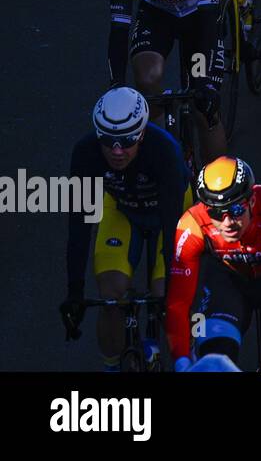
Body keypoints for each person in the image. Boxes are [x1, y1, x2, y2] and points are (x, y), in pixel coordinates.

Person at [61, 88, 189, 371]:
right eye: (109, 142)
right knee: (109, 295)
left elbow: (171, 228)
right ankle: (112, 368)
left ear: (142, 134)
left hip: (169, 212)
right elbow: (79, 226)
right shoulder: (84, 154)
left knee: (167, 294)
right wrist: (75, 292)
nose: (117, 151)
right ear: (98, 136)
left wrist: (172, 285)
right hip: (122, 208)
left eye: (127, 141)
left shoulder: (165, 150)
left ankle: (186, 361)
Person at [166, 157, 261, 371]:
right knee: (214, 362)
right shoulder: (192, 224)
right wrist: (182, 362)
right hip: (229, 284)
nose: (227, 222)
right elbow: (178, 303)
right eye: (216, 213)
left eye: (235, 210)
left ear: (252, 201)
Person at [109, 0, 226, 162]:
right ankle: (162, 152)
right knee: (147, 79)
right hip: (157, 16)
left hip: (198, 19)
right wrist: (116, 84)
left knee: (203, 109)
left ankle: (215, 186)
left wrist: (206, 83)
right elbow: (119, 29)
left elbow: (209, 21)